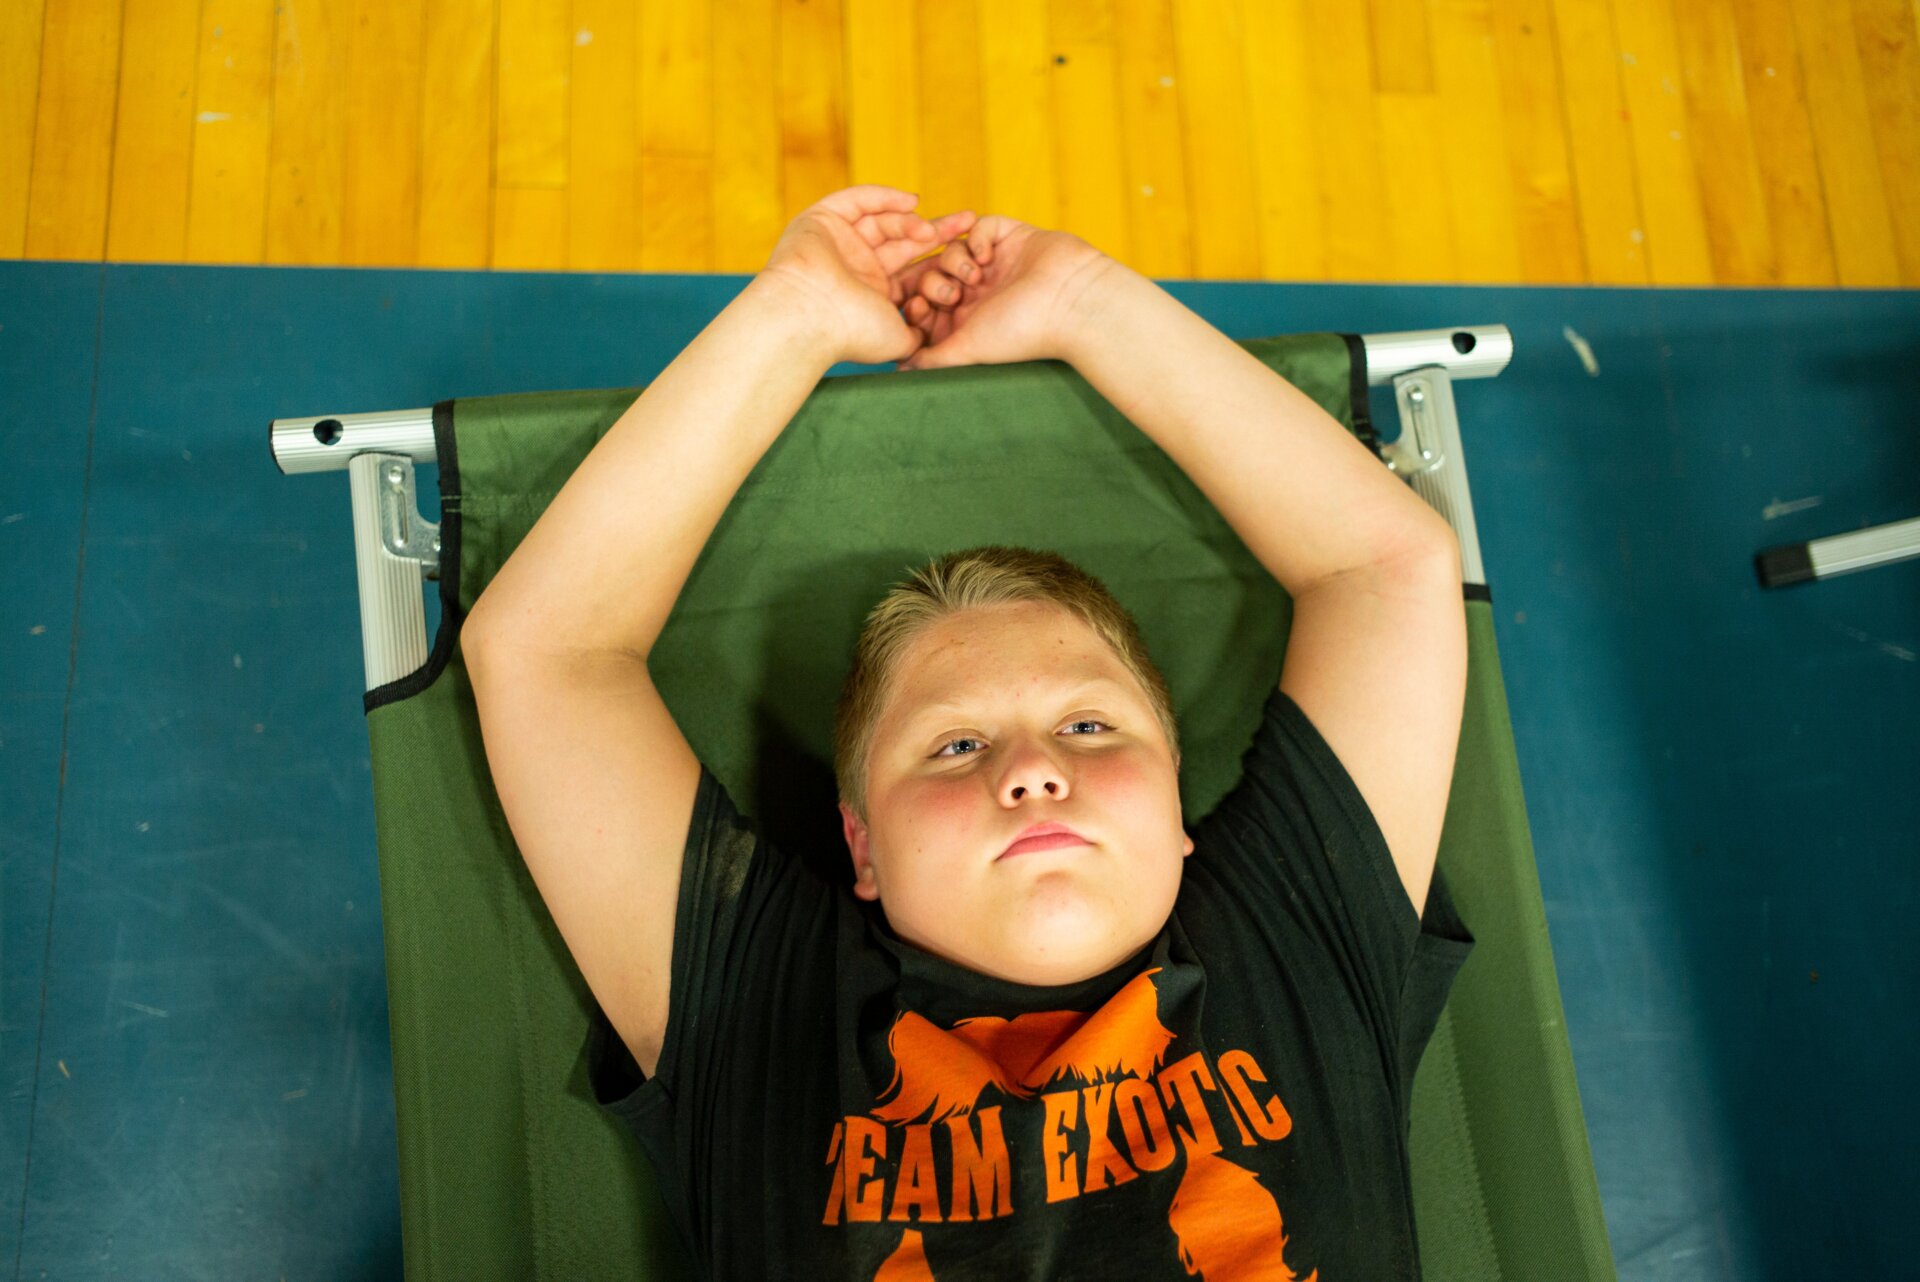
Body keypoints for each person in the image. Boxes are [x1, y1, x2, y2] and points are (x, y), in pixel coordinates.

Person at [463, 185, 1475, 1280]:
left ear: (1178, 804)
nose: (1035, 774)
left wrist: (1085, 298)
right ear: (860, 842)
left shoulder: (1292, 930)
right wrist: (795, 309)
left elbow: (1385, 572)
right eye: (955, 747)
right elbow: (543, 655)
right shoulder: (765, 1013)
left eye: (1090, 725)